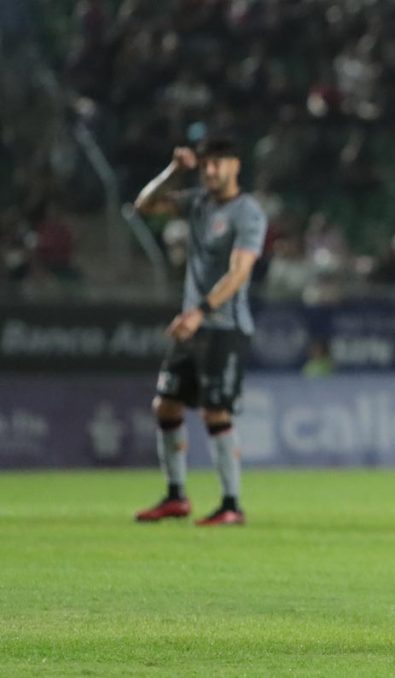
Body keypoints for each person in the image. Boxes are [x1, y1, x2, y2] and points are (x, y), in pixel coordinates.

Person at [132, 138, 268, 526]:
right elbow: (143, 206)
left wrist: (200, 311)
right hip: (191, 324)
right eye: (206, 164)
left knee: (215, 411)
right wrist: (175, 171)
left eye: (219, 163)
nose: (210, 171)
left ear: (235, 166)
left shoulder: (248, 213)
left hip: (225, 326)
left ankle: (231, 504)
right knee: (166, 405)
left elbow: (239, 273)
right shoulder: (198, 203)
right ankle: (176, 496)